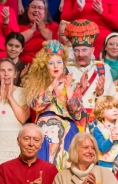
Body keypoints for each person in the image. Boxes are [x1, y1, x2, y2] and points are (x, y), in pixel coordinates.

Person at [24, 40, 85, 169]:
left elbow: (77, 112)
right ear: (45, 66)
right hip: (44, 132)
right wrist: (51, 86)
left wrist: (68, 89)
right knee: (44, 167)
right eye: (51, 63)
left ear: (64, 64)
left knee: (64, 167)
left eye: (59, 62)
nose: (56, 66)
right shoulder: (39, 85)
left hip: (66, 131)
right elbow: (36, 105)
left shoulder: (72, 85)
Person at [63, 19, 116, 127]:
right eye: (76, 50)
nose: (80, 54)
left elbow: (111, 97)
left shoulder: (102, 68)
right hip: (74, 120)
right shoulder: (66, 69)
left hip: (97, 120)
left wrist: (100, 92)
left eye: (84, 50)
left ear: (92, 50)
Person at [92, 95, 118, 168]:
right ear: (101, 112)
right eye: (110, 108)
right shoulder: (98, 129)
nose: (115, 110)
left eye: (116, 107)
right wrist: (111, 139)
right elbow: (102, 148)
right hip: (106, 165)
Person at [18, 0, 59, 65]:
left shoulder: (53, 26)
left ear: (45, 11)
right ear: (27, 10)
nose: (36, 10)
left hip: (47, 64)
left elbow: (57, 44)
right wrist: (32, 30)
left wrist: (42, 29)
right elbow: (15, 42)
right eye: (33, 7)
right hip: (23, 65)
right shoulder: (19, 27)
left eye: (40, 8)